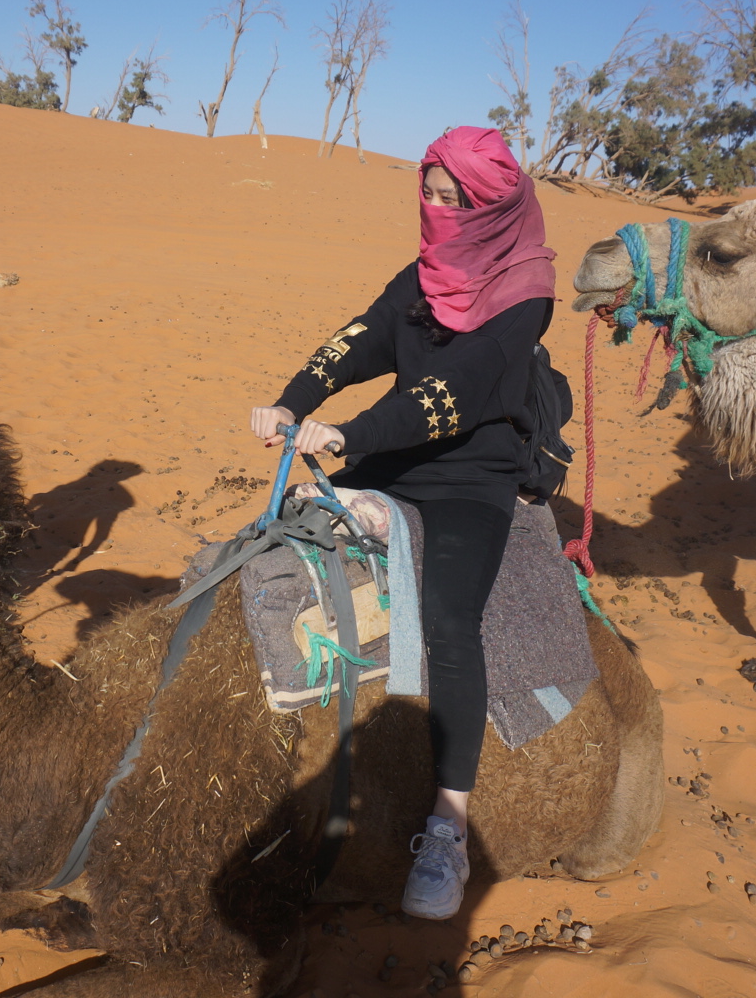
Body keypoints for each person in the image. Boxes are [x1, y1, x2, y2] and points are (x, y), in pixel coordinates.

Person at [250, 127, 556, 920]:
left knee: (451, 620)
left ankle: (448, 825)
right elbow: (360, 338)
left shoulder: (524, 296)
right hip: (390, 461)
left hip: (468, 480)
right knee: (276, 544)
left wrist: (350, 435)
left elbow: (452, 389)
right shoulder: (418, 279)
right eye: (431, 193)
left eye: (458, 199)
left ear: (494, 207)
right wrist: (295, 400)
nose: (441, 210)